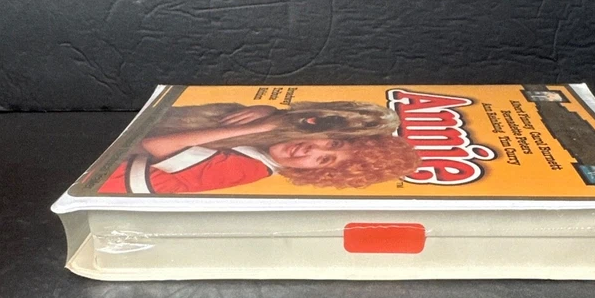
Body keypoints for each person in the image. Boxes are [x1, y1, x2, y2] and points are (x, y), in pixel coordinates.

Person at [98, 107, 420, 194]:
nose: (310, 149)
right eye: (332, 143)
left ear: (316, 173)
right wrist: (274, 115)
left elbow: (156, 144)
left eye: (323, 159)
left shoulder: (250, 168)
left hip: (108, 178)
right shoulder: (262, 147)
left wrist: (264, 125)